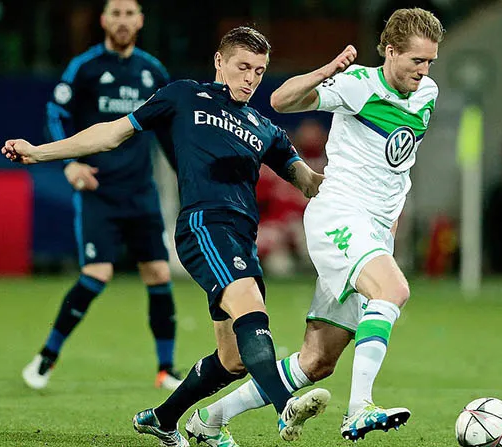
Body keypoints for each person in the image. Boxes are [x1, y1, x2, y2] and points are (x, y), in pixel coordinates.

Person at [2, 26, 330, 446]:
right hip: (204, 225)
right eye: (243, 67)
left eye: (259, 71)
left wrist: (357, 186)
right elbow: (112, 133)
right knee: (251, 306)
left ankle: (161, 418)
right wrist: (40, 152)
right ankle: (286, 408)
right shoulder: (184, 96)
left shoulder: (265, 128)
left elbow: (307, 181)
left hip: (241, 238)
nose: (250, 78)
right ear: (219, 61)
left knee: (232, 359)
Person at [184, 8, 443, 445]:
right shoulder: (357, 84)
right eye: (417, 60)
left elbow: (397, 169)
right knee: (394, 291)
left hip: (374, 231)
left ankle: (208, 418)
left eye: (431, 61)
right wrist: (329, 70)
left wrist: (387, 235)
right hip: (339, 215)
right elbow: (280, 101)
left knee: (318, 359)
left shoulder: (427, 93)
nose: (425, 70)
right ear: (391, 52)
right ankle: (359, 409)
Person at [20, 0, 182, 392]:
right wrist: (70, 164)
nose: (123, 21)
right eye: (117, 13)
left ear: (141, 20)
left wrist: (189, 176)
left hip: (141, 192)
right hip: (98, 191)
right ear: (104, 20)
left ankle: (166, 370)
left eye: (130, 14)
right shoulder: (85, 67)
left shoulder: (152, 71)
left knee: (158, 273)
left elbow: (168, 131)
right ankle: (46, 357)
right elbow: (56, 113)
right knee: (97, 273)